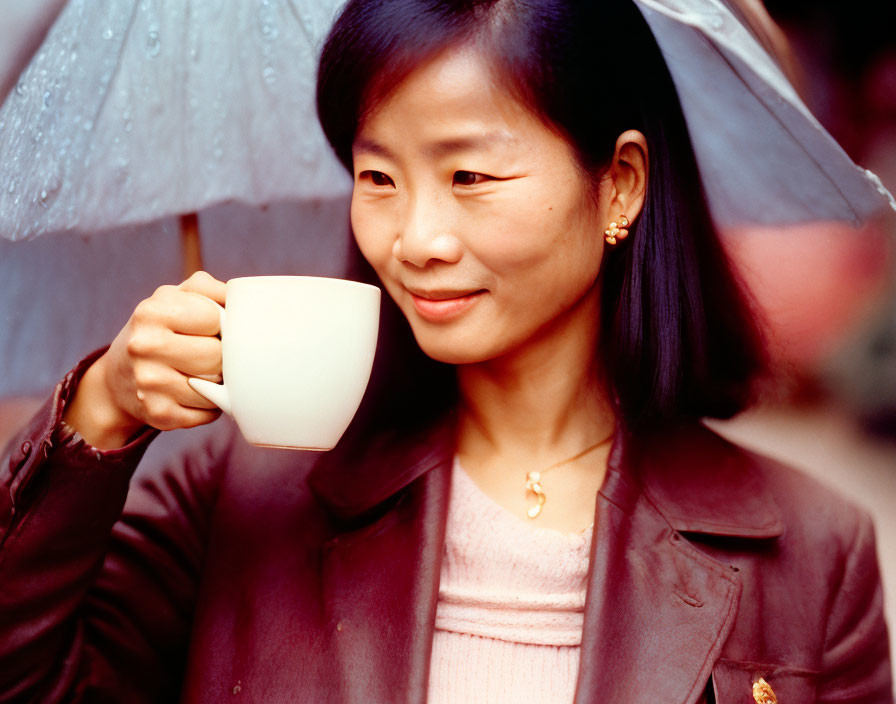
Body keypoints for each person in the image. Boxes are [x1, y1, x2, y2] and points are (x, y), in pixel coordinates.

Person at [0, 0, 891, 702]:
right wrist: (100, 414)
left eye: (470, 176)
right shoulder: (235, 502)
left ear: (618, 183)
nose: (416, 239)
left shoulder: (812, 552)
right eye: (378, 177)